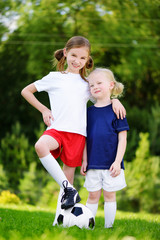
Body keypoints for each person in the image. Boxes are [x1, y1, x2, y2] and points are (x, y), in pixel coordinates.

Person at [21, 36, 126, 225]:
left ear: (87, 60)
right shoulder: (54, 78)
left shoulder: (87, 83)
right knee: (41, 146)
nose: (77, 61)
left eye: (83, 58)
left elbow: (103, 99)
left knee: (68, 182)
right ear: (65, 53)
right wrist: (44, 109)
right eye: (74, 55)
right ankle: (68, 188)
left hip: (78, 136)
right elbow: (26, 91)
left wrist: (116, 100)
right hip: (57, 129)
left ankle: (58, 222)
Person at [81, 68, 129, 228]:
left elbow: (123, 138)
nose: (94, 87)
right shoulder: (87, 112)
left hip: (111, 164)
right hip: (93, 162)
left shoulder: (117, 110)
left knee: (110, 195)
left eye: (99, 83)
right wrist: (84, 160)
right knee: (92, 195)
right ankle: (88, 226)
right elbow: (84, 139)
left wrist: (117, 161)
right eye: (91, 85)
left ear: (110, 85)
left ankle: (109, 227)